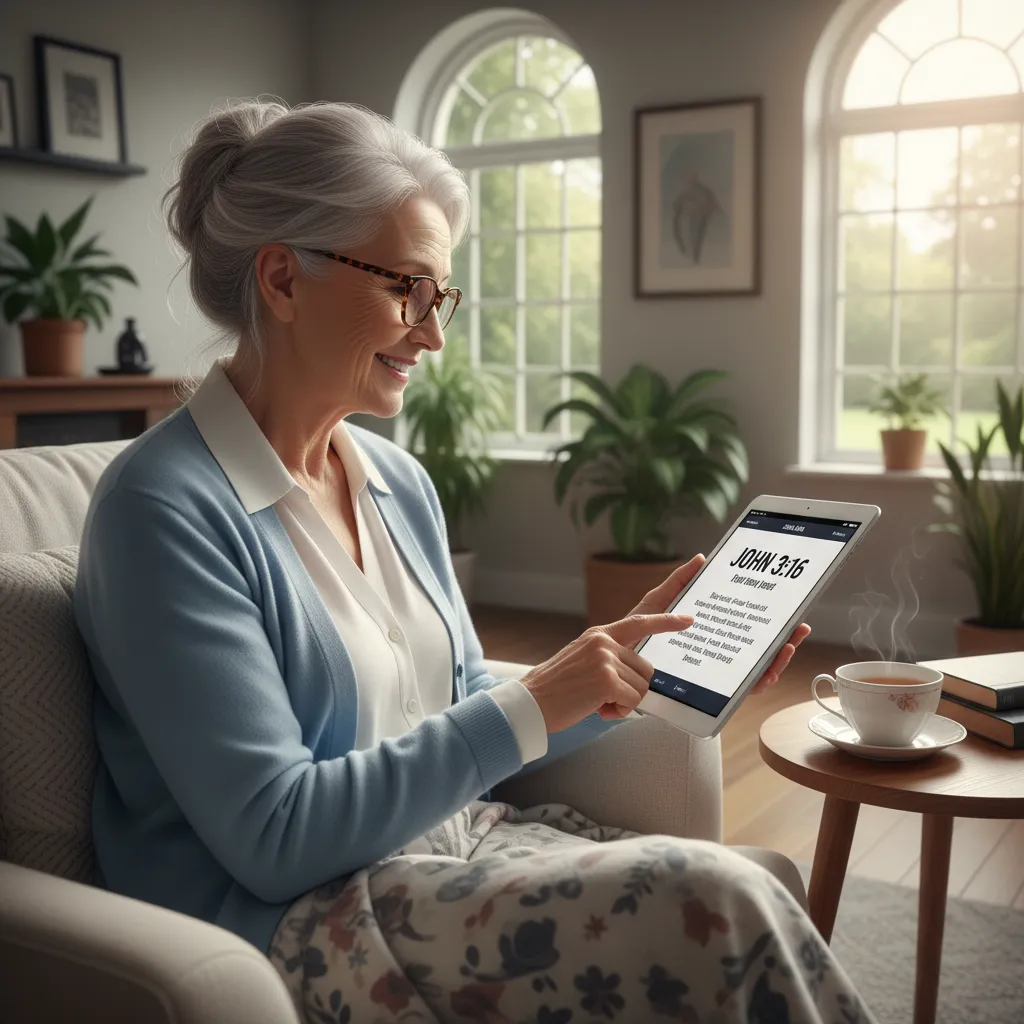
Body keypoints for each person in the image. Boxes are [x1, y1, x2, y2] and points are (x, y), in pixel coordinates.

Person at [74, 99, 874, 1024]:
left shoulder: (395, 483)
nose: (433, 333)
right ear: (284, 280)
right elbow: (276, 836)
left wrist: (626, 672)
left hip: (451, 854)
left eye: (440, 295)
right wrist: (539, 696)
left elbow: (456, 716)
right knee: (718, 903)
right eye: (406, 289)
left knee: (749, 881)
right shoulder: (161, 510)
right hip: (294, 923)